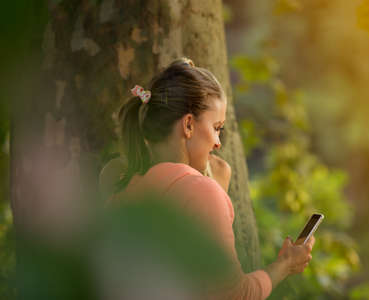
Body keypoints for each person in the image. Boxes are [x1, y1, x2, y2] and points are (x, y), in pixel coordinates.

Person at [100, 57, 315, 299]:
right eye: (216, 127)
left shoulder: (118, 179)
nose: (218, 142)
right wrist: (286, 264)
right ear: (188, 125)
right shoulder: (201, 192)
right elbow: (233, 295)